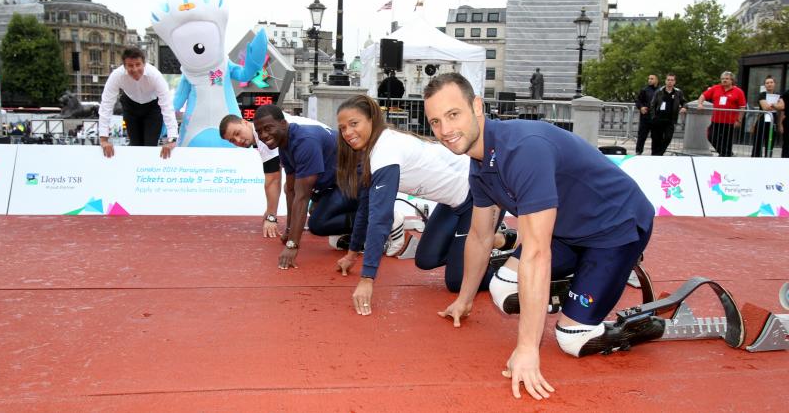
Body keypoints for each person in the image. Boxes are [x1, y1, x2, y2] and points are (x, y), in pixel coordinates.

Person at [424, 73, 656, 401]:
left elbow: (536, 254)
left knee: (571, 339)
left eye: (452, 115)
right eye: (435, 122)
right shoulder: (479, 164)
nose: (445, 130)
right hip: (566, 232)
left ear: (477, 106)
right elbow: (479, 236)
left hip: (615, 229)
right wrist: (464, 300)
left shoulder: (522, 150)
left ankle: (638, 324)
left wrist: (527, 349)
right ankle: (578, 287)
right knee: (502, 287)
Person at [334, 94, 517, 315]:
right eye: (343, 128)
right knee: (425, 260)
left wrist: (367, 278)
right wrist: (352, 253)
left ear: (372, 119)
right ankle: (495, 241)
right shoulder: (371, 153)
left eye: (354, 124)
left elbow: (380, 218)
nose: (348, 133)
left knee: (456, 281)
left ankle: (509, 268)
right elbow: (365, 208)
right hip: (452, 203)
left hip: (478, 196)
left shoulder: (385, 148)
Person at [253, 105, 358, 270]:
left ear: (283, 123)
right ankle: (357, 229)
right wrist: (288, 229)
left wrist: (292, 245)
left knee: (319, 223)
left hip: (358, 178)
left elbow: (302, 197)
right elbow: (292, 190)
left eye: (268, 128)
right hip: (335, 181)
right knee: (313, 210)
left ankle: (380, 220)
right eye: (259, 132)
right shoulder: (285, 144)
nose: (263, 135)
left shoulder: (305, 141)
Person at [219, 111, 331, 239]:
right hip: (323, 148)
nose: (238, 140)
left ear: (245, 122)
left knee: (294, 189)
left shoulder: (263, 135)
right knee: (310, 207)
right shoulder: (267, 128)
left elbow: (273, 179)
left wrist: (271, 216)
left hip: (327, 151)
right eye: (233, 140)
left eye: (237, 133)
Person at [98, 47, 179, 159]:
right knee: (135, 146)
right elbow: (106, 104)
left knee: (149, 147)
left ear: (144, 64)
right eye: (130, 66)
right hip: (131, 107)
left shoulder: (155, 75)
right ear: (124, 66)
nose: (135, 69)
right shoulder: (117, 75)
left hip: (153, 108)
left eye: (138, 64)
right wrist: (104, 139)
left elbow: (167, 106)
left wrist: (172, 139)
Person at [697, 71, 746, 157]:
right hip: (716, 120)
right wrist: (700, 103)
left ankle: (725, 155)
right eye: (722, 79)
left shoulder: (738, 91)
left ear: (732, 80)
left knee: (727, 141)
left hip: (729, 122)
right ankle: (726, 154)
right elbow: (703, 95)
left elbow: (742, 107)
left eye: (727, 79)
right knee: (711, 136)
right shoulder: (715, 88)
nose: (724, 80)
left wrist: (739, 120)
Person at [648, 73, 688, 156]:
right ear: (665, 81)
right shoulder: (659, 91)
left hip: (670, 120)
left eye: (672, 80)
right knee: (656, 140)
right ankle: (655, 156)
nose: (670, 82)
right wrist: (653, 117)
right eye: (668, 80)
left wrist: (684, 107)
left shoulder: (678, 92)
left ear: (674, 82)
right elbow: (652, 105)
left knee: (668, 138)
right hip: (658, 119)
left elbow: (684, 102)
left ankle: (659, 154)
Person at [752, 75, 779, 158]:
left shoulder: (778, 95)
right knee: (757, 143)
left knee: (770, 144)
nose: (769, 84)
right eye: (767, 83)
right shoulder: (762, 94)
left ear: (775, 84)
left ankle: (768, 161)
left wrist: (772, 105)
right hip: (761, 121)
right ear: (765, 85)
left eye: (771, 82)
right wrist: (776, 105)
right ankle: (755, 160)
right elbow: (765, 107)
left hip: (773, 122)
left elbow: (782, 107)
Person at [635, 74, 659, 155]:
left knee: (656, 137)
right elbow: (638, 101)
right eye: (649, 78)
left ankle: (655, 153)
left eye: (652, 79)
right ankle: (638, 151)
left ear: (656, 80)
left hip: (656, 117)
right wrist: (641, 107)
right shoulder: (644, 90)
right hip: (645, 116)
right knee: (642, 135)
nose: (649, 80)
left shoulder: (661, 90)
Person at [778, 89, 788, 158]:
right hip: (787, 122)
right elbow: (782, 110)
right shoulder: (786, 94)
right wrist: (780, 124)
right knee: (786, 144)